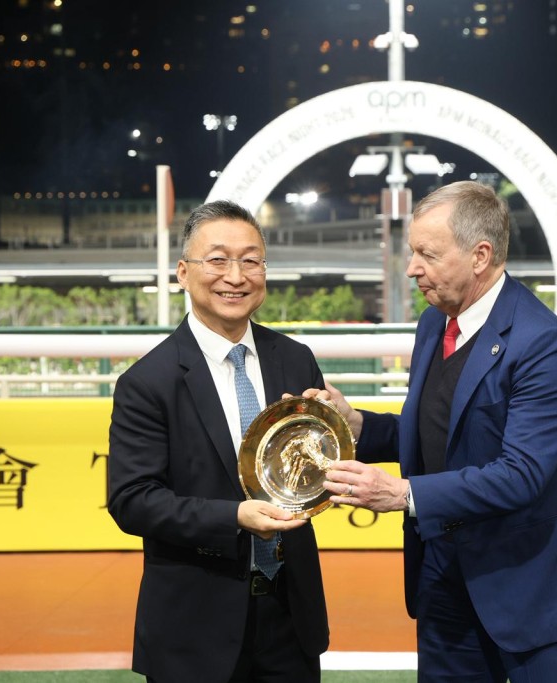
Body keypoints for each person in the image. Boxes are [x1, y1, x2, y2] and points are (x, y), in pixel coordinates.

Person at [305, 181, 557, 682]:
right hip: (444, 575)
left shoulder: (545, 344)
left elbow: (521, 474)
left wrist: (403, 493)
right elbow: (439, 429)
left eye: (426, 254)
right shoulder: (435, 323)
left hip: (536, 585)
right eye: (413, 252)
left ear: (480, 255)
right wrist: (358, 425)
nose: (412, 268)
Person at [108, 200, 328, 683]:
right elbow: (131, 501)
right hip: (194, 627)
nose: (236, 275)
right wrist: (233, 518)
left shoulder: (295, 360)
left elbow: (312, 469)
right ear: (184, 273)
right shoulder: (148, 382)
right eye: (218, 260)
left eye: (251, 260)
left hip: (291, 619)